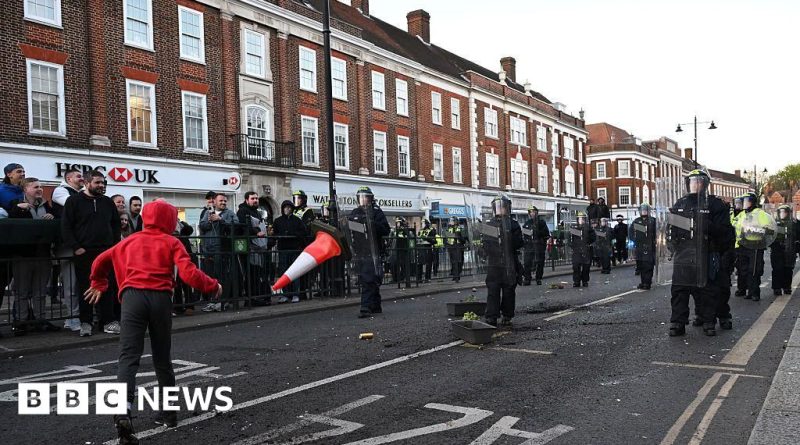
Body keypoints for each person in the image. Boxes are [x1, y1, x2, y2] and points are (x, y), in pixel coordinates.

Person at [84, 199, 222, 443]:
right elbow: (189, 273)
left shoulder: (127, 241)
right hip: (160, 299)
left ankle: (123, 410)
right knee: (162, 358)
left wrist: (99, 283)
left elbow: (99, 261)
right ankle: (168, 413)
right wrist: (213, 287)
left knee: (128, 357)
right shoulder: (172, 241)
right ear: (169, 220)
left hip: (131, 299)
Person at [667, 169, 734, 337]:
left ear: (705, 184)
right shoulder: (680, 204)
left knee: (707, 289)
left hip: (707, 252)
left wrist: (706, 225)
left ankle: (708, 320)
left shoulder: (714, 204)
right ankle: (678, 322)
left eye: (699, 181)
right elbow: (672, 228)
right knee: (679, 289)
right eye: (692, 181)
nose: (695, 184)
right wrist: (671, 243)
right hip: (684, 252)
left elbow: (725, 232)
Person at [61, 170, 121, 337]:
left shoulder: (108, 202)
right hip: (84, 252)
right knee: (86, 287)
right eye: (97, 183)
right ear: (87, 183)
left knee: (107, 287)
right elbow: (66, 226)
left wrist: (114, 246)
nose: (101, 185)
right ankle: (86, 322)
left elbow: (115, 225)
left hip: (106, 251)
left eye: (103, 183)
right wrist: (76, 247)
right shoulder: (73, 201)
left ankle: (108, 321)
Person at [8, 178, 60, 335]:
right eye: (35, 187)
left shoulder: (47, 206)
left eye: (41, 187)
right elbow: (11, 225)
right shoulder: (15, 204)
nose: (40, 189)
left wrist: (52, 217)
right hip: (23, 256)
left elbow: (57, 223)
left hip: (43, 255)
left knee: (40, 291)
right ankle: (22, 322)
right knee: (22, 292)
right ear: (25, 189)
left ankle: (40, 320)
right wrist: (19, 209)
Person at [51, 168, 85, 331]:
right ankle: (72, 318)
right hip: (68, 246)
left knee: (81, 284)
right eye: (78, 176)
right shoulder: (60, 191)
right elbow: (74, 206)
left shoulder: (80, 193)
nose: (82, 179)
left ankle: (79, 316)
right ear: (69, 178)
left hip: (82, 245)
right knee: (71, 286)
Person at [482, 195, 524, 327]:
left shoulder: (513, 224)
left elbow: (519, 243)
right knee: (493, 290)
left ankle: (507, 315)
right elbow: (486, 244)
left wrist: (509, 239)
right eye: (498, 207)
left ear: (507, 208)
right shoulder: (490, 224)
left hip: (509, 262)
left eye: (503, 207)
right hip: (494, 263)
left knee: (508, 290)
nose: (500, 209)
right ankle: (491, 316)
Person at [349, 186, 390, 318]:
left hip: (373, 250)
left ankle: (365, 306)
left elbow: (385, 230)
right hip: (359, 249)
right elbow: (351, 229)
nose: (363, 200)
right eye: (360, 197)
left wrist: (371, 223)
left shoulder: (376, 212)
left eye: (365, 197)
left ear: (370, 199)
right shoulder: (355, 212)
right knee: (368, 278)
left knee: (368, 278)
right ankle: (376, 305)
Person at [199, 193, 236, 312]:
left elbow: (236, 226)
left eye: (225, 201)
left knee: (221, 276)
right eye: (221, 201)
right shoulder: (207, 212)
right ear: (214, 202)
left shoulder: (230, 213)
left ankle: (222, 302)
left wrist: (221, 219)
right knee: (210, 277)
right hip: (208, 249)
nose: (224, 203)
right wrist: (210, 221)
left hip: (222, 249)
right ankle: (212, 301)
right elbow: (202, 226)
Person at [734, 192, 772, 301]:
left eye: (747, 201)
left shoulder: (759, 213)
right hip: (742, 245)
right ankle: (747, 290)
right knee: (743, 269)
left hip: (755, 245)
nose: (745, 203)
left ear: (753, 202)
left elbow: (767, 227)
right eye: (744, 201)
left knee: (754, 270)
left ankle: (754, 292)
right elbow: (735, 226)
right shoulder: (742, 214)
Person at [269, 200, 306, 303]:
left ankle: (295, 294)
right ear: (282, 209)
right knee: (283, 273)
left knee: (294, 273)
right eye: (285, 207)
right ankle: (285, 295)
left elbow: (303, 232)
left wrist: (293, 234)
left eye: (289, 207)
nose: (287, 209)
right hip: (283, 249)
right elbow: (274, 234)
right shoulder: (278, 221)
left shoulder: (297, 220)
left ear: (292, 209)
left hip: (294, 249)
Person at [237, 192, 269, 303]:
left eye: (256, 198)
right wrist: (256, 233)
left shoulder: (257, 212)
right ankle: (251, 298)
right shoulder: (242, 211)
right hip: (249, 248)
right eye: (252, 198)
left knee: (257, 274)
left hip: (258, 247)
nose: (255, 200)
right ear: (246, 200)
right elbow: (244, 227)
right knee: (250, 275)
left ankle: (258, 297)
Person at [770, 205, 800, 296]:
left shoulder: (795, 223)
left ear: (789, 213)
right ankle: (777, 288)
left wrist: (797, 246)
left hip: (790, 249)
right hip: (777, 249)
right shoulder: (774, 223)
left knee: (788, 269)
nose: (783, 214)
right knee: (777, 269)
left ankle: (787, 287)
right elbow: (769, 237)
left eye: (785, 212)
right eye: (781, 212)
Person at [630, 204, 657, 289]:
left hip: (650, 246)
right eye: (642, 210)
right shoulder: (636, 221)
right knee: (641, 265)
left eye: (645, 210)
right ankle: (643, 282)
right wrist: (634, 240)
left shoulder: (653, 220)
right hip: (639, 246)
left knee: (648, 265)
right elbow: (631, 232)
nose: (644, 212)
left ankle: (647, 283)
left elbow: (657, 232)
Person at [521, 205, 550, 285]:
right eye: (530, 212)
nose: (532, 214)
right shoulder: (527, 223)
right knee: (527, 263)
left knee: (540, 263)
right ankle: (527, 279)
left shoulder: (541, 223)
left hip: (539, 246)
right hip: (529, 247)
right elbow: (524, 234)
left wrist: (537, 233)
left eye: (533, 212)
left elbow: (546, 234)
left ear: (536, 213)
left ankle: (538, 278)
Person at [569, 211, 596, 287]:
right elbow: (570, 238)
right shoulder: (574, 228)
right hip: (576, 250)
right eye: (579, 219)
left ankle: (585, 281)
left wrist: (588, 243)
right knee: (576, 266)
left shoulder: (588, 228)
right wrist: (572, 245)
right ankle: (576, 281)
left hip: (586, 249)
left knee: (586, 266)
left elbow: (593, 237)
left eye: (582, 219)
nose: (581, 220)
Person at [445, 216, 466, 282]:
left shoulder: (459, 228)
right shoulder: (449, 229)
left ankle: (457, 276)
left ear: (455, 221)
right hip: (451, 247)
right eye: (450, 221)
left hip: (458, 247)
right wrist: (447, 243)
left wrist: (458, 237)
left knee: (457, 262)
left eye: (452, 220)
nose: (450, 222)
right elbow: (446, 237)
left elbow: (463, 239)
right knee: (453, 262)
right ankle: (455, 276)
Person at [416, 219, 436, 283]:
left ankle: (427, 278)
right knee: (419, 264)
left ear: (427, 223)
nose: (422, 224)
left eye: (423, 223)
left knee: (428, 264)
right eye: (421, 223)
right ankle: (419, 279)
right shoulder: (420, 230)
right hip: (421, 248)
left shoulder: (431, 230)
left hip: (428, 248)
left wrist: (426, 238)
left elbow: (434, 241)